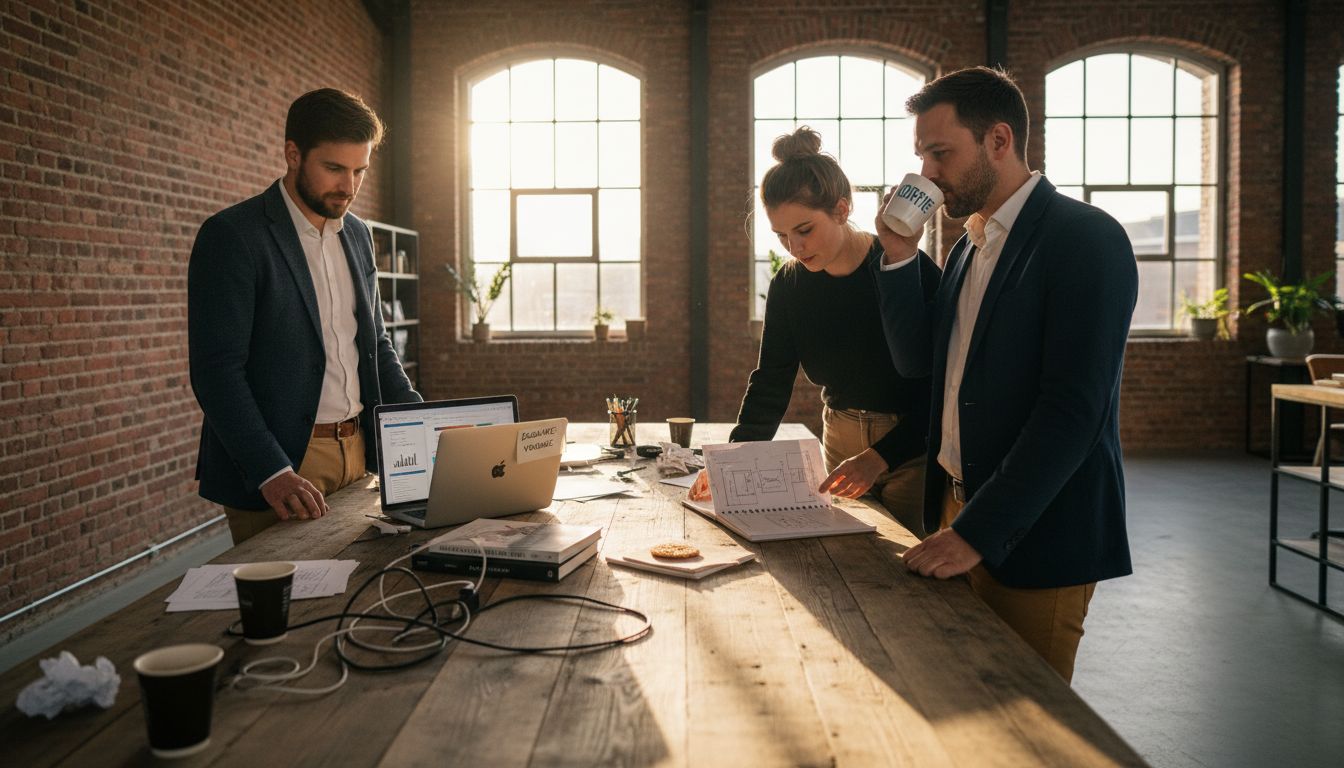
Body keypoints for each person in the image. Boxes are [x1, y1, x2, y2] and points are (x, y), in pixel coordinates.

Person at [873, 66, 1137, 682]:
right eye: (922, 156)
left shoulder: (1085, 238)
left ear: (998, 140)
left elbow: (1073, 411)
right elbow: (921, 366)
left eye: (941, 153)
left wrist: (977, 534)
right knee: (960, 706)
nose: (927, 174)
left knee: (1026, 726)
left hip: (1034, 534)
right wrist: (897, 257)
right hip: (954, 517)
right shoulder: (968, 244)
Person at [188, 88, 422, 545]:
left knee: (356, 595)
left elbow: (375, 346)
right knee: (293, 609)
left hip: (358, 450)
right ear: (293, 155)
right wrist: (271, 469)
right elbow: (217, 372)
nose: (349, 187)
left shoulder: (357, 234)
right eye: (334, 168)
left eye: (359, 171)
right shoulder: (232, 237)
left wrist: (421, 425)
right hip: (282, 466)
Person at [690, 127, 935, 533]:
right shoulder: (789, 285)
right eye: (781, 236)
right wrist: (731, 464)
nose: (795, 248)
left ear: (841, 209)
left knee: (907, 573)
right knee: (842, 563)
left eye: (804, 230)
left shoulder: (904, 268)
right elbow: (771, 381)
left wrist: (880, 457)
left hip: (913, 450)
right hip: (838, 441)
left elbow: (941, 387)